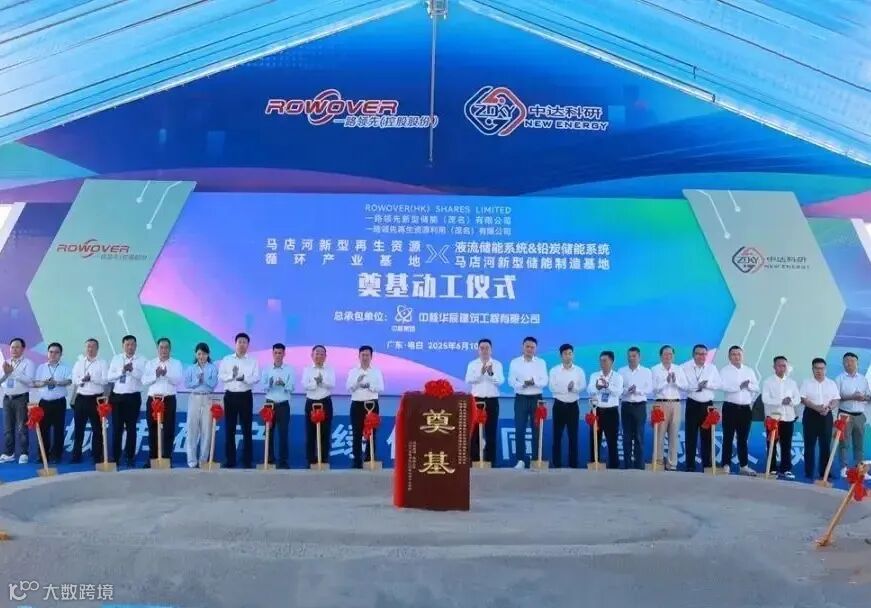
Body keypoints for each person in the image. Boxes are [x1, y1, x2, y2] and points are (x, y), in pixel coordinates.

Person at [218, 333, 261, 468]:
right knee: (229, 428)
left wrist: (244, 379)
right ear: (235, 344)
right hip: (230, 396)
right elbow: (221, 376)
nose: (242, 344)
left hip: (245, 396)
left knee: (247, 429)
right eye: (239, 342)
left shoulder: (253, 361)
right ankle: (230, 460)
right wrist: (232, 376)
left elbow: (256, 377)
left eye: (244, 342)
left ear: (248, 345)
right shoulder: (226, 360)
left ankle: (247, 461)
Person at [507, 337, 548, 469]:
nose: (529, 349)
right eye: (527, 346)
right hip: (521, 398)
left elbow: (544, 381)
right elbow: (511, 381)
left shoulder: (541, 362)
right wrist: (522, 385)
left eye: (532, 347)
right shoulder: (515, 362)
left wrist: (534, 382)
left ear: (536, 349)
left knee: (537, 430)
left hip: (537, 399)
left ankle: (536, 459)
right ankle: (520, 460)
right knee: (520, 429)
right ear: (523, 347)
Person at [142, 338, 183, 466]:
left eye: (166, 347)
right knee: (152, 429)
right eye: (161, 347)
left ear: (170, 349)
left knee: (169, 430)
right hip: (153, 400)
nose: (164, 350)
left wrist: (166, 374)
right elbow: (144, 381)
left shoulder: (176, 363)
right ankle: (152, 459)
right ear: (157, 349)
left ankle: (166, 459)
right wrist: (155, 375)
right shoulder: (150, 363)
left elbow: (178, 381)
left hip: (168, 399)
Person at [106, 335, 146, 467]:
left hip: (133, 397)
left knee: (131, 428)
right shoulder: (116, 358)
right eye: (127, 344)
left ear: (136, 346)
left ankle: (130, 456)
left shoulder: (142, 360)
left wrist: (132, 370)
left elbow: (143, 378)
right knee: (117, 428)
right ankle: (115, 457)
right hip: (117, 397)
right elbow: (109, 377)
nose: (130, 347)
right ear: (123, 345)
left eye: (132, 344)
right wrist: (122, 371)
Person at [719, 345, 758, 475]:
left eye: (738, 354)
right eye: (733, 354)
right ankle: (726, 464)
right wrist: (739, 387)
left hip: (745, 408)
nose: (736, 357)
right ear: (729, 357)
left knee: (743, 439)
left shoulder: (749, 370)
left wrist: (748, 386)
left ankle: (744, 466)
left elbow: (756, 387)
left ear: (742, 356)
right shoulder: (725, 371)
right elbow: (722, 386)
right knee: (728, 437)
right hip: (730, 407)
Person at [681, 344, 721, 472]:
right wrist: (696, 386)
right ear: (693, 355)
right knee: (690, 436)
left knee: (707, 437)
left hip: (708, 406)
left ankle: (707, 465)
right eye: (698, 354)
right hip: (692, 404)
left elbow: (718, 384)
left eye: (704, 354)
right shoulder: (684, 367)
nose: (701, 356)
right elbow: (682, 385)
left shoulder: (712, 368)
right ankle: (690, 465)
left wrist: (707, 385)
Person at [465, 338, 504, 466]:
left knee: (491, 432)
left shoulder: (497, 364)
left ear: (491, 350)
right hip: (477, 401)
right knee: (475, 433)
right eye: (482, 348)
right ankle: (474, 461)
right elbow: (468, 380)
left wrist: (491, 373)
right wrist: (481, 373)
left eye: (487, 348)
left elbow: (500, 381)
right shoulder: (472, 364)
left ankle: (490, 462)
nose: (484, 350)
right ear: (478, 350)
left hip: (492, 401)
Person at [800, 357, 840, 481]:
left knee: (825, 445)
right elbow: (803, 399)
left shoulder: (831, 383)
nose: (819, 371)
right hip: (811, 415)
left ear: (825, 369)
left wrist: (829, 408)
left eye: (822, 368)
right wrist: (816, 407)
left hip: (826, 415)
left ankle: (825, 473)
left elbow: (836, 399)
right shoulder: (806, 383)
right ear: (812, 369)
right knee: (809, 445)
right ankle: (809, 472)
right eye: (816, 368)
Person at [32, 342, 72, 464]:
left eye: (56, 352)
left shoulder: (65, 367)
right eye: (51, 352)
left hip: (59, 403)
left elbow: (69, 381)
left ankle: (56, 455)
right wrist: (44, 383)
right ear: (47, 353)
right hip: (44, 403)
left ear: (61, 354)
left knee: (58, 430)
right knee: (43, 430)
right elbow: (35, 383)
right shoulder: (41, 367)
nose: (53, 354)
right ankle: (43, 455)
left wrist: (57, 383)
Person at [761, 356, 800, 479]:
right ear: (774, 367)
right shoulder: (768, 382)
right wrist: (781, 401)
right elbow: (765, 399)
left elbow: (798, 399)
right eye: (779, 365)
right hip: (773, 419)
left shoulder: (792, 383)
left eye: (784, 365)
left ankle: (786, 468)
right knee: (771, 444)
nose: (782, 368)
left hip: (788, 418)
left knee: (786, 444)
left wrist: (790, 401)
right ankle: (771, 468)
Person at [346, 345, 385, 469]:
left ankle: (370, 458)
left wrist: (369, 386)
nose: (365, 357)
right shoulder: (353, 371)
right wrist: (358, 383)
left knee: (372, 432)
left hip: (372, 404)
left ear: (371, 357)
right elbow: (348, 387)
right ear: (359, 356)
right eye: (363, 355)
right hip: (357, 404)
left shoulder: (376, 371)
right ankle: (357, 461)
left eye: (367, 355)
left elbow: (381, 388)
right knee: (357, 433)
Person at [70, 338, 108, 463]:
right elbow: (74, 380)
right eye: (88, 346)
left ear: (97, 348)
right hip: (81, 398)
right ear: (85, 348)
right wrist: (82, 380)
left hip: (96, 399)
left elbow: (105, 380)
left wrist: (92, 379)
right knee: (79, 429)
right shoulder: (79, 363)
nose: (90, 349)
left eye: (93, 346)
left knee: (97, 429)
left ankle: (97, 456)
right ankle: (76, 456)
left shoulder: (102, 363)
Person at [651, 345, 688, 471]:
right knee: (659, 434)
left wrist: (675, 381)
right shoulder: (655, 369)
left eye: (670, 354)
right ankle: (658, 462)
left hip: (676, 404)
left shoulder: (678, 369)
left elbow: (685, 386)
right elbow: (653, 389)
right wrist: (665, 382)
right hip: (661, 404)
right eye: (666, 354)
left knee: (674, 434)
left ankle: (672, 463)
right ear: (661, 356)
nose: (668, 356)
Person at [548, 343, 584, 468]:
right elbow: (552, 387)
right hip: (559, 405)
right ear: (561, 355)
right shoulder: (554, 370)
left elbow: (582, 386)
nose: (568, 356)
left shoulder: (579, 370)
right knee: (557, 436)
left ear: (573, 355)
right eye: (565, 354)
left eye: (570, 353)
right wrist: (566, 388)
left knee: (573, 436)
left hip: (573, 406)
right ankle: (556, 464)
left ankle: (573, 464)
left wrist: (573, 388)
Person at [835, 352, 870, 480]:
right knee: (844, 443)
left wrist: (863, 397)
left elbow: (868, 396)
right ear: (843, 363)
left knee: (859, 444)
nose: (849, 363)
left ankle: (860, 470)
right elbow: (836, 397)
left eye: (852, 361)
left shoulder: (863, 379)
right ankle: (844, 468)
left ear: (857, 363)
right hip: (845, 414)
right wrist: (852, 397)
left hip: (860, 416)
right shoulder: (839, 379)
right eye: (846, 361)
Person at [0, 338, 35, 464]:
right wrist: (6, 374)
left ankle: (24, 453)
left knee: (21, 427)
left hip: (21, 398)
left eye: (17, 347)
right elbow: (1, 379)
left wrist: (13, 373)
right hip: (7, 399)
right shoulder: (6, 363)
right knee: (8, 428)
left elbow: (29, 381)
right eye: (12, 347)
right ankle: (9, 453)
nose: (14, 349)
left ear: (23, 349)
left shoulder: (28, 363)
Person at [587, 350, 624, 469]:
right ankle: (594, 465)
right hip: (596, 411)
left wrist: (607, 386)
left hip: (611, 412)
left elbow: (618, 392)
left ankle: (614, 467)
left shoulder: (617, 376)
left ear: (612, 361)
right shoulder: (594, 375)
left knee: (612, 441)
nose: (602, 363)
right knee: (594, 440)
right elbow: (589, 390)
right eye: (601, 361)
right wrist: (597, 387)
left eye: (605, 361)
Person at [183, 342, 218, 468]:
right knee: (192, 429)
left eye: (204, 354)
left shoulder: (212, 368)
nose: (201, 356)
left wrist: (204, 379)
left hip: (207, 398)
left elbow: (213, 384)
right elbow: (187, 384)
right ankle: (192, 461)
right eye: (199, 354)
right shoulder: (191, 368)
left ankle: (203, 460)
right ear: (195, 354)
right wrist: (197, 380)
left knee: (206, 430)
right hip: (194, 397)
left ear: (208, 354)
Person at [618, 346, 652, 470]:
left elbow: (649, 389)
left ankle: (639, 466)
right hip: (626, 406)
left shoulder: (646, 371)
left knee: (639, 436)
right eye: (629, 356)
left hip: (640, 406)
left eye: (634, 356)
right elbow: (618, 389)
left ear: (639, 357)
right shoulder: (621, 371)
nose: (631, 358)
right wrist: (627, 390)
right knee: (626, 437)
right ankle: (627, 466)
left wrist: (637, 390)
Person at [302, 345, 335, 468]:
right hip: (311, 402)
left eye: (322, 354)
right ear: (312, 355)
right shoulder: (307, 370)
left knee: (325, 432)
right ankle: (310, 460)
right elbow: (305, 385)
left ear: (325, 356)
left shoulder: (329, 369)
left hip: (325, 402)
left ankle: (324, 459)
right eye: (317, 354)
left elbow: (332, 384)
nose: (319, 356)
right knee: (310, 433)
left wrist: (322, 382)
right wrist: (316, 383)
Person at [262, 343, 294, 469]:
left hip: (283, 404)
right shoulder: (267, 369)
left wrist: (284, 384)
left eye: (280, 353)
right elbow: (263, 387)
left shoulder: (289, 369)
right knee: (268, 432)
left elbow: (292, 387)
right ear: (272, 353)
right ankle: (269, 459)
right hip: (269, 404)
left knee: (283, 433)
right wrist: (269, 384)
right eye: (275, 353)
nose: (278, 355)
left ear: (284, 354)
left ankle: (283, 461)